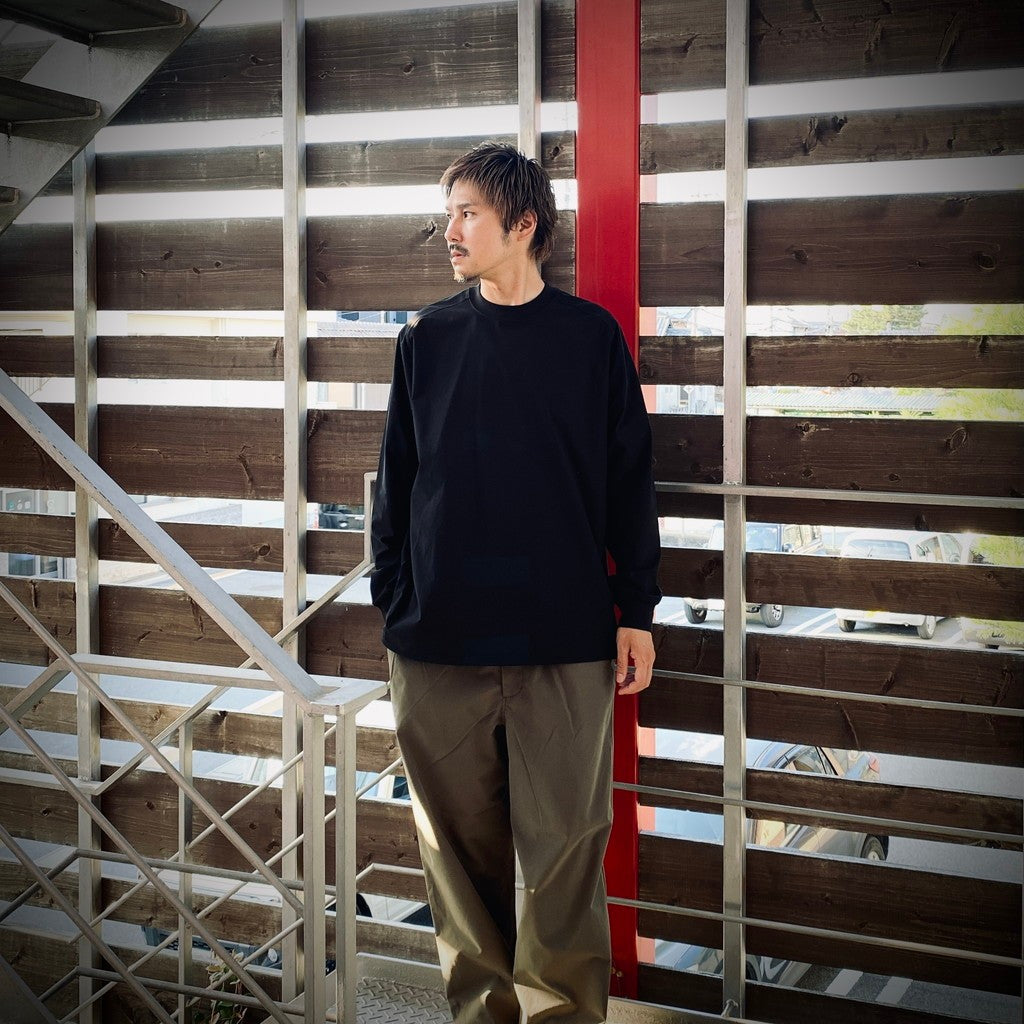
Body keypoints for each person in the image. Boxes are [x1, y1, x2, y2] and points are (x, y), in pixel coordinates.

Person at [369, 141, 661, 1024]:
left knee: (569, 852)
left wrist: (636, 611)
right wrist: (395, 599)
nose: (449, 231)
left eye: (468, 213)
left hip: (564, 644)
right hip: (437, 647)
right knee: (456, 863)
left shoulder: (590, 339)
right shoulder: (425, 339)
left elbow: (630, 483)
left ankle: (567, 1014)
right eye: (447, 214)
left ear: (524, 224)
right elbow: (395, 482)